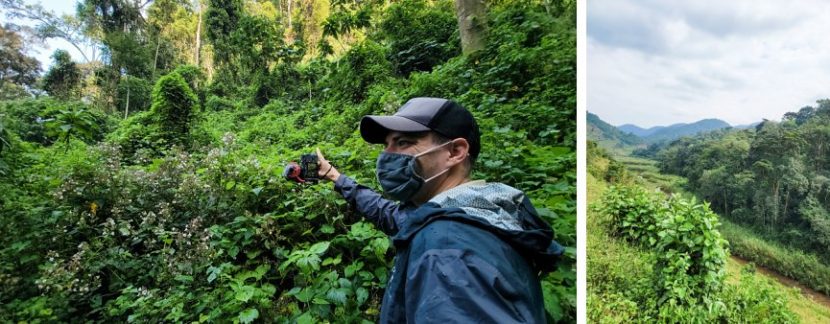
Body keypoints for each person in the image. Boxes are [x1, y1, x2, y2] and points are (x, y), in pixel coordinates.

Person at [315, 97, 563, 323]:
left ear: (455, 152)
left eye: (403, 142)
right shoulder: (470, 211)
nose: (386, 156)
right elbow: (389, 214)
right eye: (386, 144)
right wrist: (334, 176)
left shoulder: (447, 247)